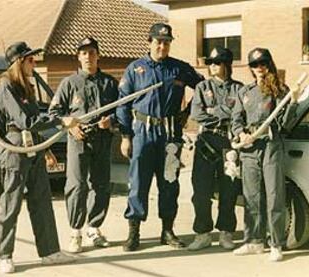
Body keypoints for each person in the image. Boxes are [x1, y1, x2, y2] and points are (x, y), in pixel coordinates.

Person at [116, 23, 203, 252]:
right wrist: (125, 136)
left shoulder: (179, 69)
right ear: (150, 42)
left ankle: (167, 231)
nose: (162, 46)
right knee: (138, 184)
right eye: (158, 41)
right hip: (142, 134)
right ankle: (133, 233)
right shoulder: (135, 69)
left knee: (169, 183)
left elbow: (204, 89)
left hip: (170, 135)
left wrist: (188, 113)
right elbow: (122, 105)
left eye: (166, 42)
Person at [0, 41, 77, 274]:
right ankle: (5, 255)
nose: (34, 63)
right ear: (19, 62)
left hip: (34, 149)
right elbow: (26, 122)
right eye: (30, 59)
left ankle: (50, 252)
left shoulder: (27, 87)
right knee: (11, 204)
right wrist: (61, 121)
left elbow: (34, 127)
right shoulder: (7, 86)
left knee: (42, 202)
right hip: (15, 151)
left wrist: (47, 150)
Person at [49, 37, 119, 253]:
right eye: (84, 53)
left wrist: (112, 121)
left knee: (101, 185)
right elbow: (54, 112)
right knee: (77, 185)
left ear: (98, 55)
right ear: (78, 57)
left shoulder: (109, 83)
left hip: (102, 139)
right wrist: (70, 126)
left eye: (92, 52)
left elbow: (121, 111)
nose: (88, 57)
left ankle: (94, 228)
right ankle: (75, 231)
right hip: (78, 139)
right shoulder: (69, 83)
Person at [231, 47, 299, 261]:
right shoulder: (245, 92)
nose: (259, 68)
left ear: (269, 64)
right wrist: (241, 134)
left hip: (271, 145)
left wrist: (294, 101)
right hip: (249, 148)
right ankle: (254, 241)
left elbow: (286, 124)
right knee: (251, 196)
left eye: (263, 63)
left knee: (274, 195)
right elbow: (236, 119)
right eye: (254, 65)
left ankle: (276, 243)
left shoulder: (280, 89)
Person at [188, 46, 242, 251]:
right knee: (201, 191)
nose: (212, 66)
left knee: (229, 190)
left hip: (229, 143)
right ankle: (202, 233)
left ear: (226, 65)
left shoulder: (239, 89)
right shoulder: (202, 87)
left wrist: (213, 110)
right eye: (210, 63)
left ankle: (226, 232)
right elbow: (196, 114)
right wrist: (225, 111)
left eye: (217, 62)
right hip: (206, 142)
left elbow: (240, 113)